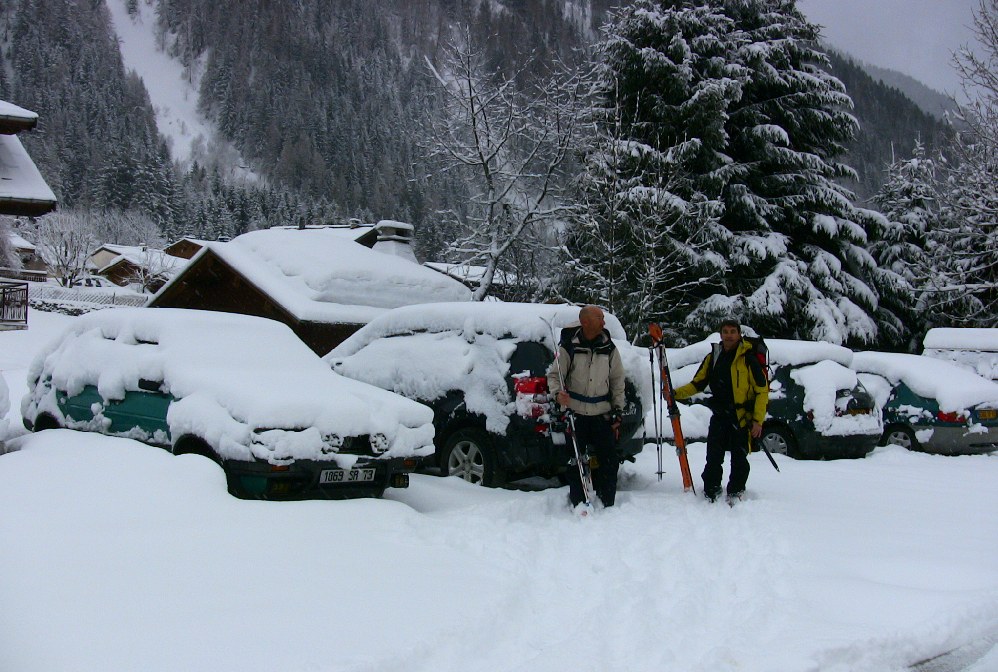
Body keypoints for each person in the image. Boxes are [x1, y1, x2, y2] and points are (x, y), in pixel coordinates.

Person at [674, 319, 769, 503]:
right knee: (713, 456)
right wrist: (675, 393)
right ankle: (711, 489)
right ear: (720, 334)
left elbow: (761, 390)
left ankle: (736, 490)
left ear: (739, 334)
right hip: (719, 416)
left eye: (733, 331)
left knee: (739, 458)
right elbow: (698, 383)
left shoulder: (748, 358)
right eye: (725, 331)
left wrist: (758, 421)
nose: (729, 335)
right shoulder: (714, 357)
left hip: (741, 417)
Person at [547, 305, 626, 508]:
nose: (604, 322)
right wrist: (558, 395)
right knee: (575, 461)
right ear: (586, 322)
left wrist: (618, 410)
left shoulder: (609, 348)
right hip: (576, 415)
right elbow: (554, 376)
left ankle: (607, 503)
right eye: (600, 318)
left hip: (602, 415)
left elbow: (618, 380)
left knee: (609, 461)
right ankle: (579, 502)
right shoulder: (568, 347)